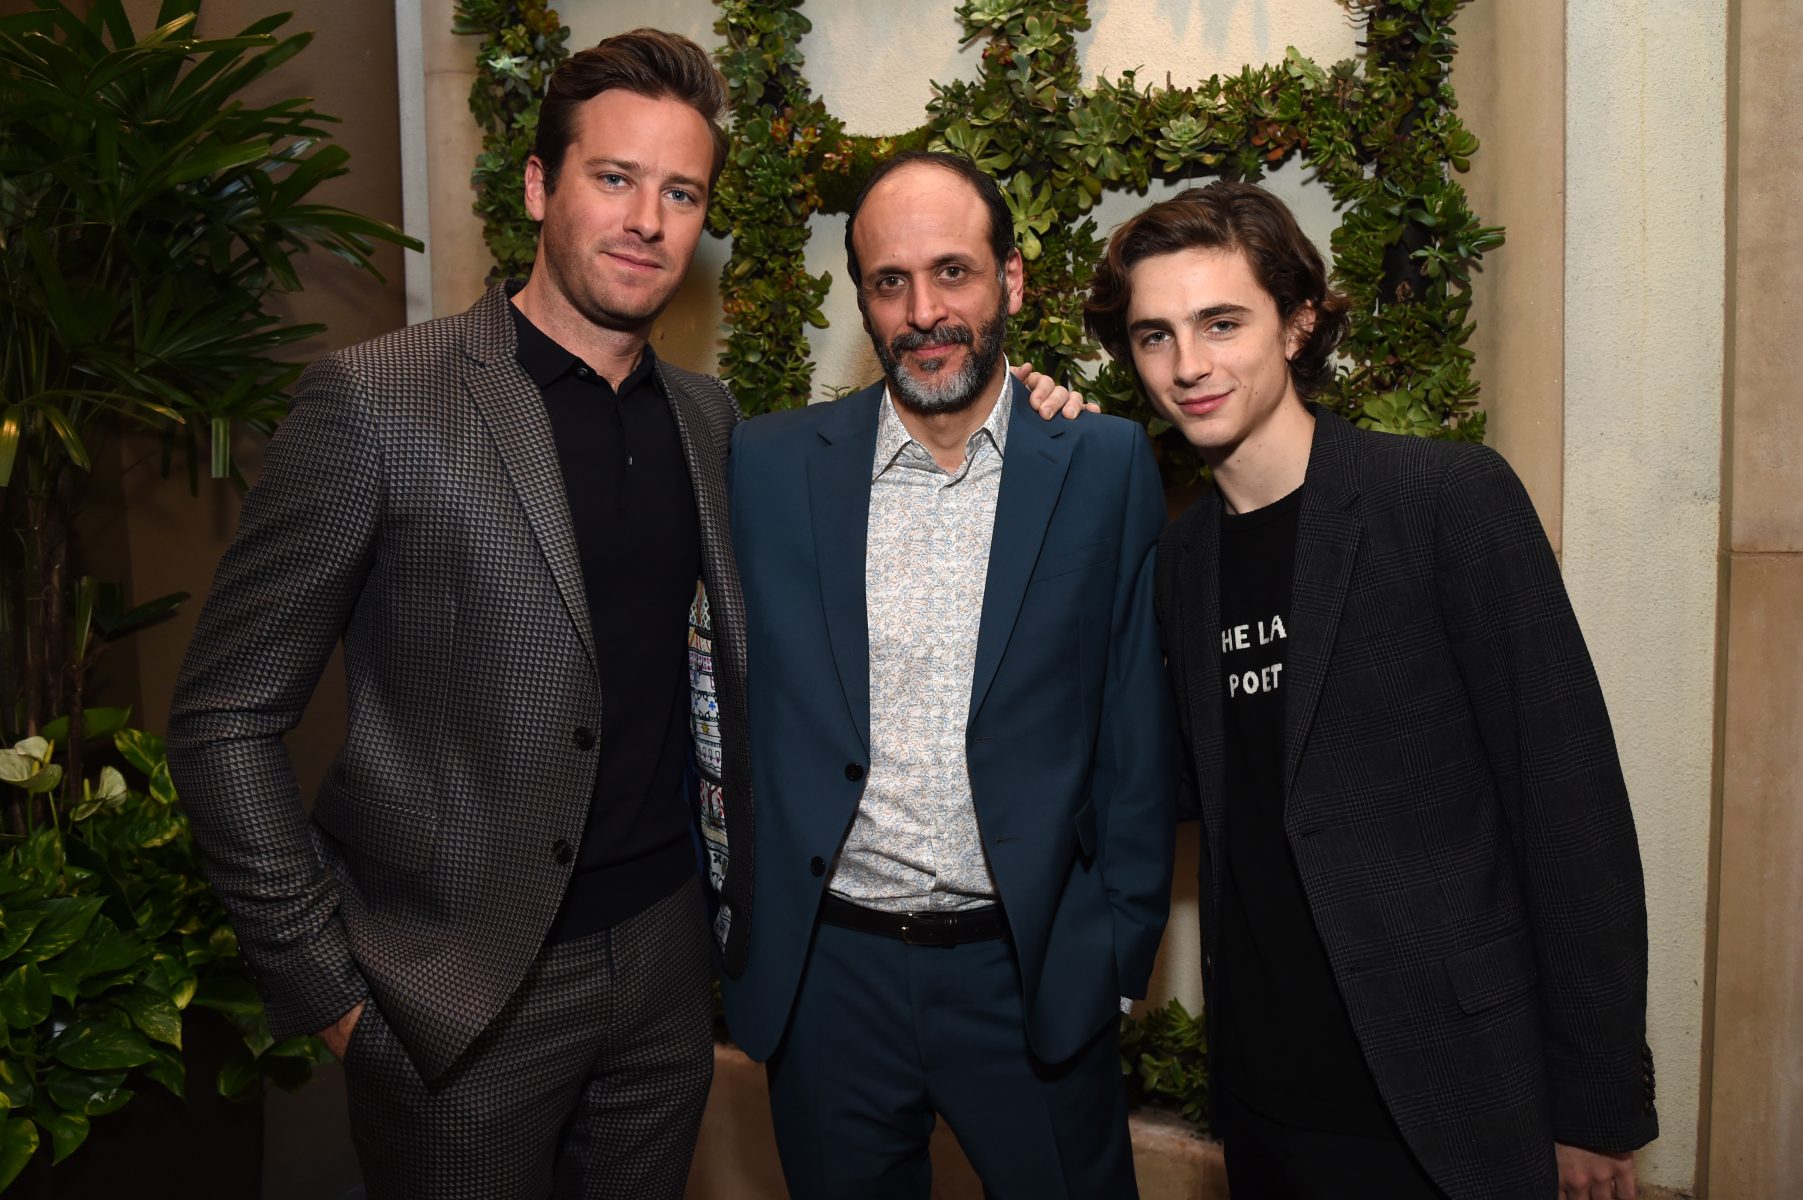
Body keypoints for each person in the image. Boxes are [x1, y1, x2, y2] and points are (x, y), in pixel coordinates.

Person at [167, 29, 1083, 1198]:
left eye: (682, 191)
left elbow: (904, 462)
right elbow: (223, 716)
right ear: (542, 186)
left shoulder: (711, 421)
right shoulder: (380, 401)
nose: (649, 219)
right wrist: (335, 994)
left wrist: (1037, 401)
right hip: (455, 1002)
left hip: (664, 978)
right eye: (615, 178)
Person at [1082, 180, 1658, 1200]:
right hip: (1265, 1102)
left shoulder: (1444, 503)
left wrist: (1596, 1100)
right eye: (1154, 336)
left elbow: (1570, 810)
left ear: (1300, 322)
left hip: (1453, 1092)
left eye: (1222, 323)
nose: (1188, 367)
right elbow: (1170, 788)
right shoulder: (1182, 561)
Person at [721, 150, 1178, 1199]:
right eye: (890, 282)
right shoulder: (766, 466)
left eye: (954, 273)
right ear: (864, 301)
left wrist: (1111, 960)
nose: (925, 310)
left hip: (1026, 975)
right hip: (830, 979)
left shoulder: (1102, 467)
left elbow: (1134, 735)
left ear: (1010, 281)